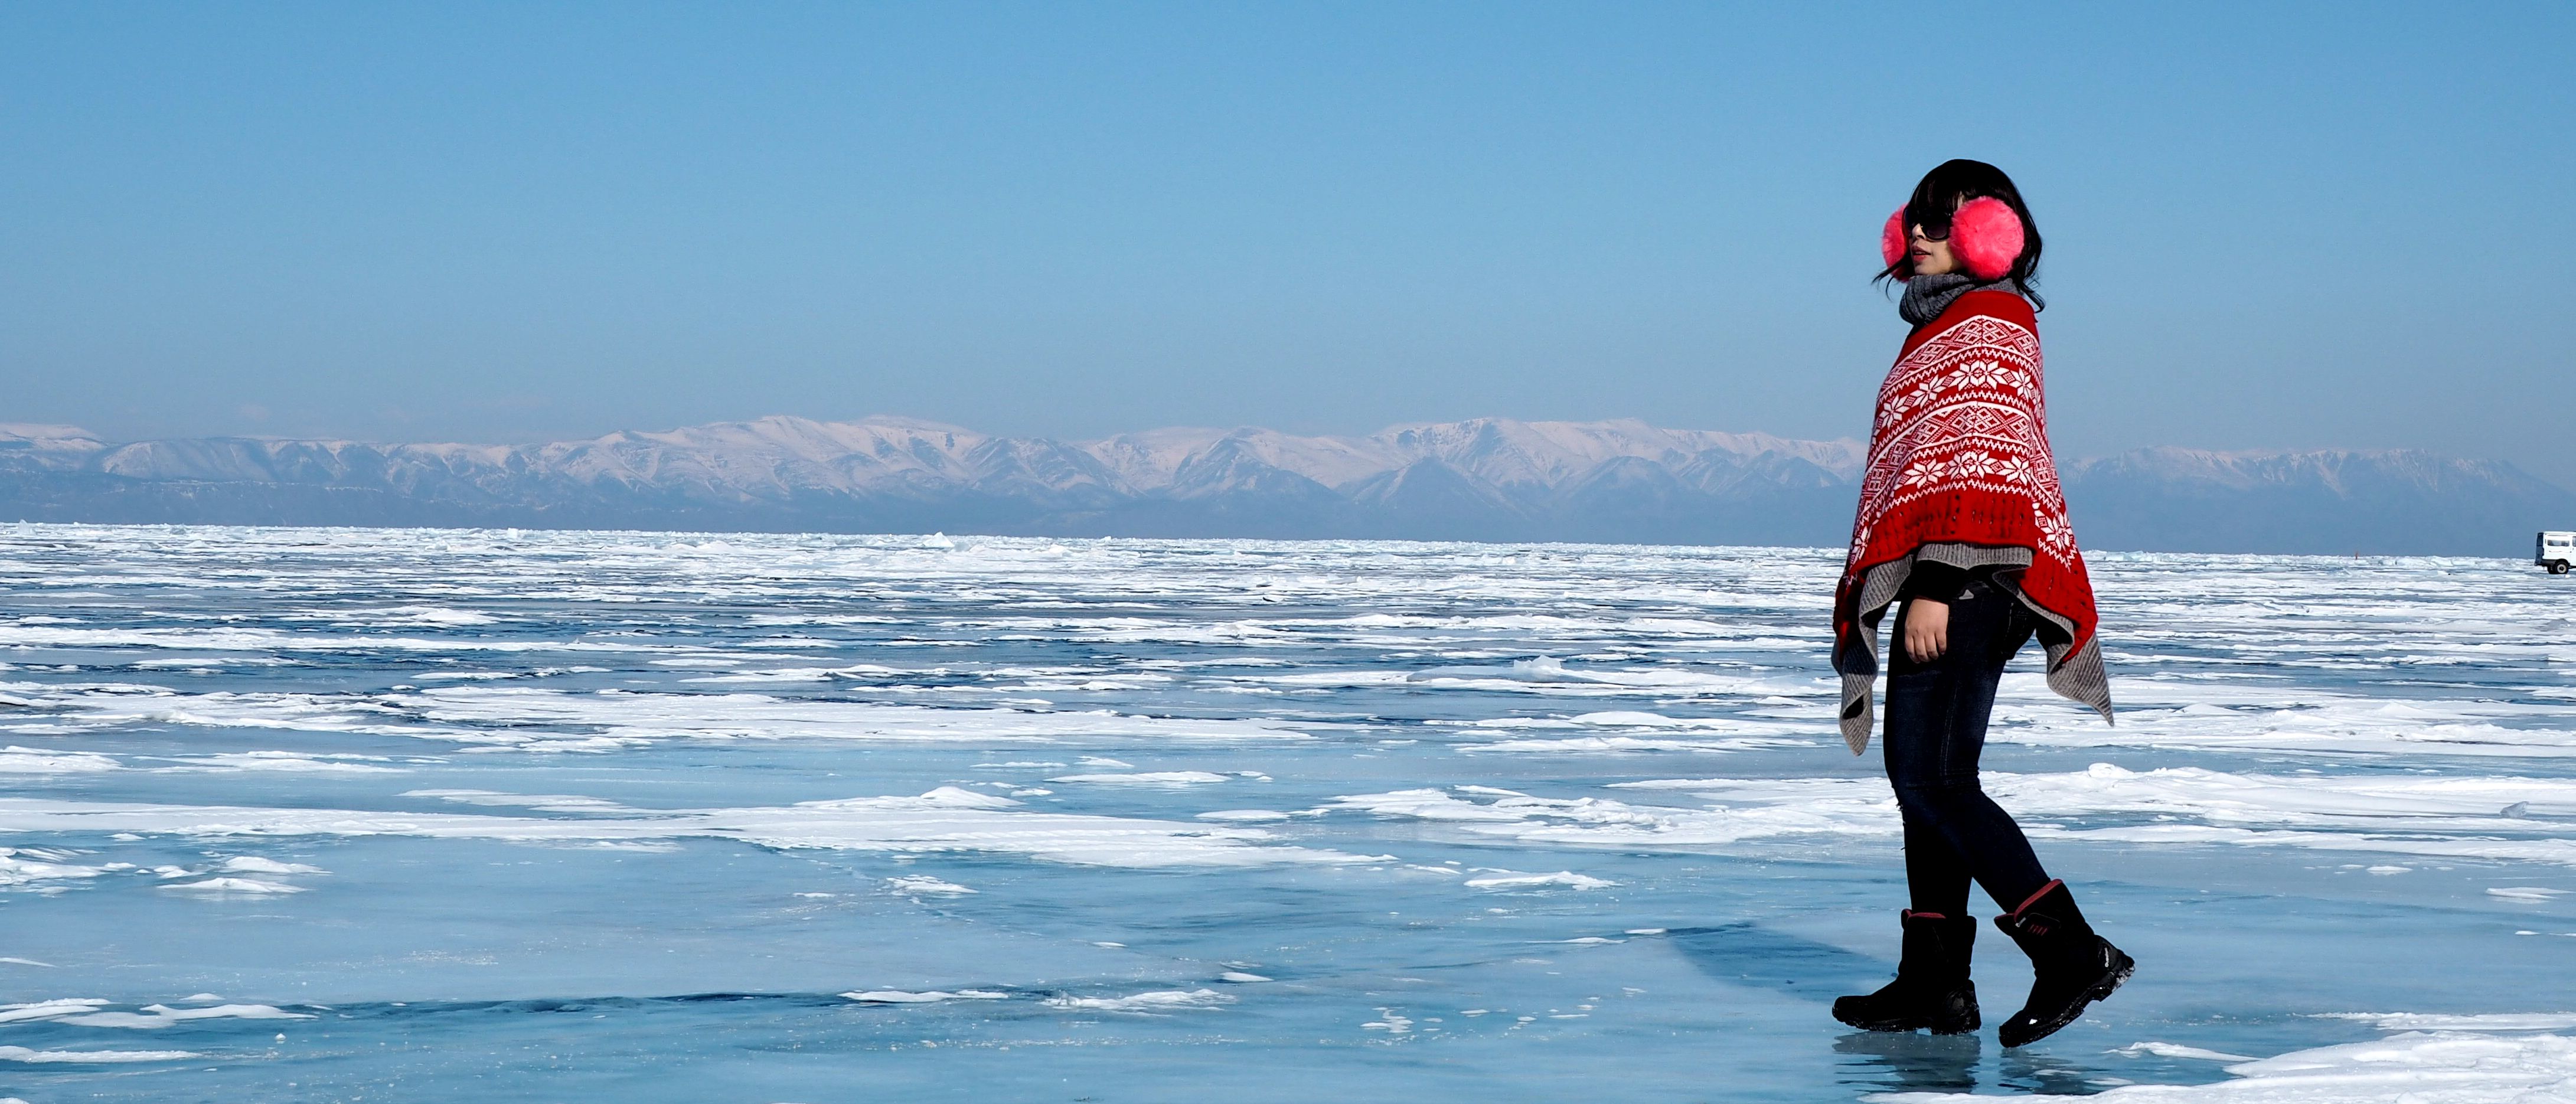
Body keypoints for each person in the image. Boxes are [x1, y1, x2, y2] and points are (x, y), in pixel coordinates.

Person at [1827, 159, 2132, 1047]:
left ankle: (2070, 951)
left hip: (1965, 585)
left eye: (1942, 221)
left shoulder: (1992, 319)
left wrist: (1934, 582)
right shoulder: (1941, 325)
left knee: (1935, 781)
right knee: (1920, 782)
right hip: (1956, 582)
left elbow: (1982, 467)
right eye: (1914, 220)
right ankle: (1934, 982)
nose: (1919, 236)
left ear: (1989, 233)